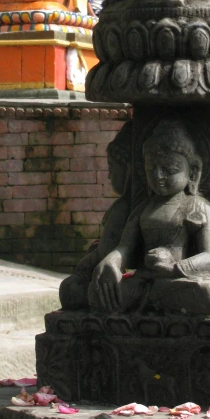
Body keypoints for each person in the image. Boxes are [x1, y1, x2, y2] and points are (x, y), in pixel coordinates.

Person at [89, 120, 210, 315]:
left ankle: (154, 306)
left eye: (170, 171)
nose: (158, 176)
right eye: (151, 169)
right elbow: (125, 248)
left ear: (193, 172)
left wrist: (173, 268)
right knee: (96, 293)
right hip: (145, 282)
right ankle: (158, 305)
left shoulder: (198, 208)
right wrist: (111, 261)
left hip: (179, 280)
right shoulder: (143, 209)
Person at [59, 122, 133, 310]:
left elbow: (108, 253)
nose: (109, 177)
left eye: (112, 168)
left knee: (71, 289)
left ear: (130, 169)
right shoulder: (126, 207)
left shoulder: (124, 209)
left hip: (117, 274)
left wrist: (94, 258)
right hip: (112, 269)